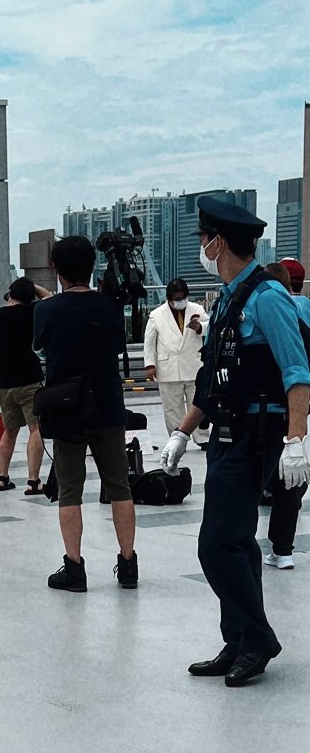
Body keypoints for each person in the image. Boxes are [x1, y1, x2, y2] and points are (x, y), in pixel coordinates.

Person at [160, 198, 310, 686]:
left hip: (257, 435)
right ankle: (240, 640)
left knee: (216, 544)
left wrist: (296, 439)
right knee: (238, 542)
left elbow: (297, 371)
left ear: (218, 243)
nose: (202, 247)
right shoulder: (228, 298)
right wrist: (183, 431)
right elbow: (213, 379)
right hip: (226, 433)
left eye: (204, 239)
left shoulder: (268, 297)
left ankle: (259, 638)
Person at [33, 236, 138, 592]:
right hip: (107, 404)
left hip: (67, 407)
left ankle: (74, 568)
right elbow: (118, 346)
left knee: (70, 491)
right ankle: (128, 565)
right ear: (92, 267)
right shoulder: (110, 305)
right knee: (119, 487)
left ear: (56, 268)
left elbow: (40, 348)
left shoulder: (46, 310)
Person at [258, 259, 310, 570]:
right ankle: (283, 548)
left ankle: (261, 547)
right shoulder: (305, 309)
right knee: (293, 479)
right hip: (301, 411)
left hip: (270, 409)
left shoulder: (267, 308)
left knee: (259, 477)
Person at [0, 277, 45, 493]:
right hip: (29, 380)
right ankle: (33, 481)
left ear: (11, 293)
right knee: (35, 429)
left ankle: (2, 477)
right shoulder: (32, 311)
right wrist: (34, 286)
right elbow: (49, 299)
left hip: (5, 383)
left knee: (10, 431)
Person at [143, 278, 210, 448]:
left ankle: (202, 438)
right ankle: (176, 438)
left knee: (198, 404)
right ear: (169, 298)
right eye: (177, 298)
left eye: (183, 298)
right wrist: (150, 365)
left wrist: (200, 327)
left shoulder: (197, 309)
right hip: (168, 367)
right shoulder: (156, 314)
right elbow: (149, 342)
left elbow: (210, 326)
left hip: (193, 364)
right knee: (172, 408)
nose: (180, 301)